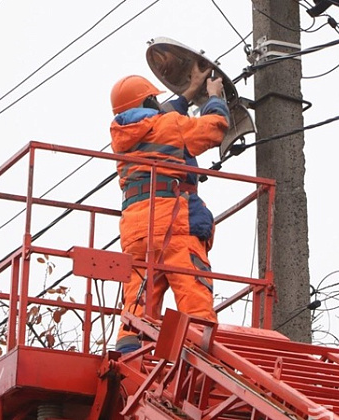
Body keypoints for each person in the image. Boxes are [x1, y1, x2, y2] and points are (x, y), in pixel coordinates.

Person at [109, 63, 230, 353]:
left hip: (136, 229)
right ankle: (201, 353)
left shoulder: (123, 138)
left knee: (138, 298)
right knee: (193, 293)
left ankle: (128, 352)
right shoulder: (169, 126)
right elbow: (213, 130)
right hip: (173, 223)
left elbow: (162, 120)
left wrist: (188, 93)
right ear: (150, 101)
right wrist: (214, 98)